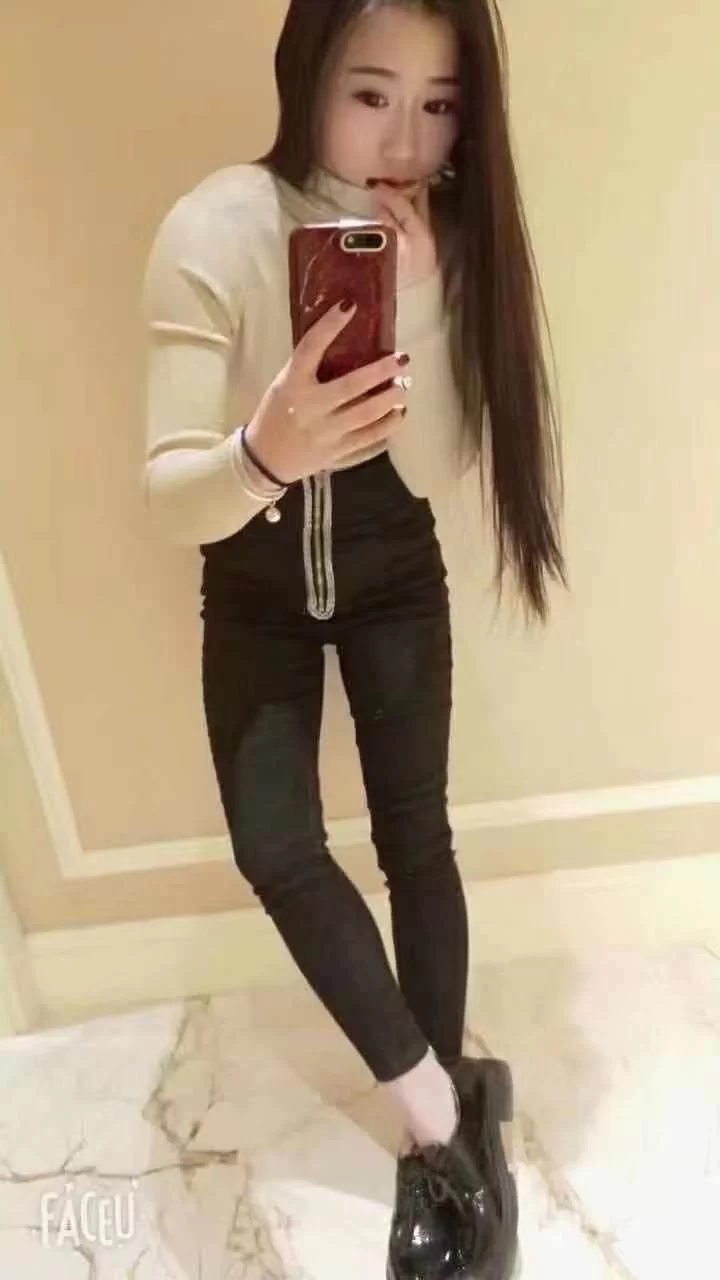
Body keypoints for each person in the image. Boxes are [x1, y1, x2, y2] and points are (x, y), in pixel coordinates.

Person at [141, 1, 568, 1275]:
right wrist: (266, 447)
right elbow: (170, 495)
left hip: (393, 578)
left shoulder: (454, 239)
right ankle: (446, 1106)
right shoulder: (216, 225)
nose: (402, 139)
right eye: (370, 93)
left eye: (438, 107)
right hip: (254, 587)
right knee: (275, 844)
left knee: (414, 835)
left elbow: (435, 469)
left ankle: (437, 1143)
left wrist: (423, 295)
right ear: (307, 74)